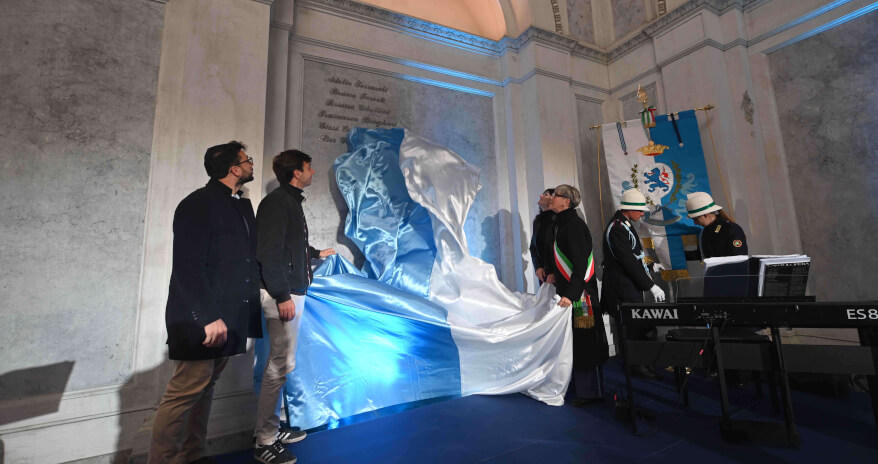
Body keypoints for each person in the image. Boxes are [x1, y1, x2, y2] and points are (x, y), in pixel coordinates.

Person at [149, 142, 263, 464]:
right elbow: (188, 266)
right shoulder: (197, 204)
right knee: (183, 393)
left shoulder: (239, 205)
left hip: (229, 316)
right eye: (247, 160)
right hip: (205, 319)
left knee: (205, 387)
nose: (251, 164)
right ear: (234, 169)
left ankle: (192, 455)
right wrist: (208, 316)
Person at [253, 149, 336, 464]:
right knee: (279, 367)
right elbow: (268, 252)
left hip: (288, 291)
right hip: (283, 294)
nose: (313, 172)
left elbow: (290, 245)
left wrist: (315, 253)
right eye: (309, 167)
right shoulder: (277, 203)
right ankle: (265, 440)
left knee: (279, 366)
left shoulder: (288, 201)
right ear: (296, 173)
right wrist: (282, 295)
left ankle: (272, 428)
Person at [549, 185, 609, 405]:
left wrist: (571, 294)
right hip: (573, 293)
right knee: (576, 340)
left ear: (567, 201)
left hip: (581, 297)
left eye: (556, 195)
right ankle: (581, 387)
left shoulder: (573, 225)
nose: (552, 198)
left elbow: (581, 264)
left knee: (585, 341)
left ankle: (591, 392)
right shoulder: (563, 223)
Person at [601, 188, 665, 380]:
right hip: (622, 287)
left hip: (629, 284)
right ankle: (636, 365)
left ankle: (642, 362)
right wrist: (650, 286)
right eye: (640, 210)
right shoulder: (617, 228)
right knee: (631, 327)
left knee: (638, 326)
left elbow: (635, 255)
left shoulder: (624, 225)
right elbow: (627, 261)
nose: (642, 214)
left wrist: (650, 266)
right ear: (629, 209)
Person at [685, 192, 748, 259]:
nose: (695, 223)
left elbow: (739, 258)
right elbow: (701, 254)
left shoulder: (731, 229)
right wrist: (680, 255)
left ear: (705, 215)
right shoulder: (705, 232)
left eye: (696, 219)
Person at [530, 188, 556, 285]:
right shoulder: (538, 220)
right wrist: (538, 267)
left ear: (552, 199)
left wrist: (555, 272)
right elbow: (533, 246)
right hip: (543, 273)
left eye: (546, 194)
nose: (541, 196)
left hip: (558, 274)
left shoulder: (558, 219)